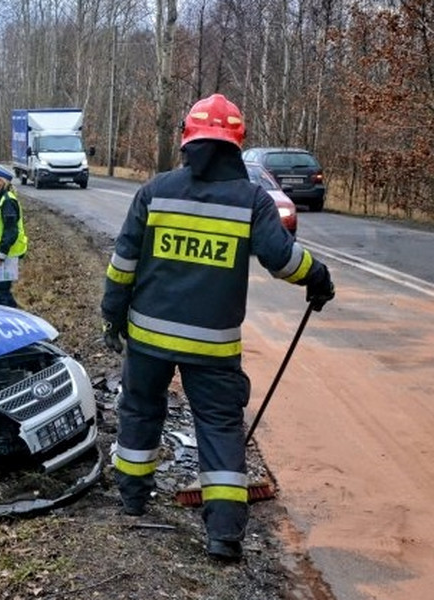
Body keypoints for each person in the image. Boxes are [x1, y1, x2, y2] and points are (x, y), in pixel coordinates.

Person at [101, 93, 336, 563]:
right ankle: (224, 537)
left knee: (140, 413)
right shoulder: (252, 200)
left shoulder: (155, 190)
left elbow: (124, 261)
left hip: (147, 337)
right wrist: (318, 277)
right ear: (235, 146)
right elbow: (282, 259)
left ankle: (132, 498)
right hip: (212, 345)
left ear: (187, 141)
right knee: (220, 427)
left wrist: (113, 313)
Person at [0, 162, 26, 307]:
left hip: (4, 256)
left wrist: (1, 254)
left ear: (1, 180)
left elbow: (11, 230)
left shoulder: (7, 201)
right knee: (1, 292)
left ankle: (4, 322)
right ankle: (17, 317)